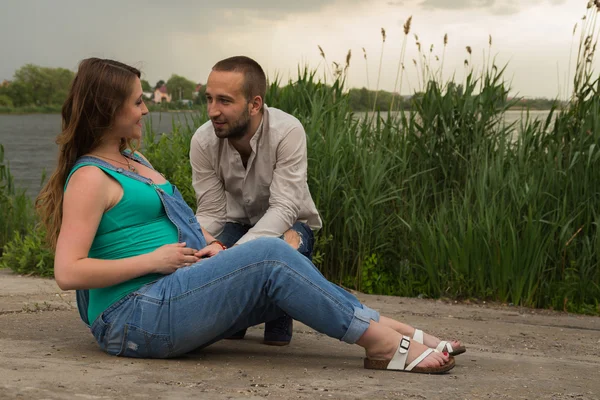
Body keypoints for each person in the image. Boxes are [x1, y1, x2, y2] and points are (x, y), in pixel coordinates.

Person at [36, 57, 464, 375]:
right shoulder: (91, 176)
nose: (146, 109)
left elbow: (261, 212)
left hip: (168, 293)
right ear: (109, 109)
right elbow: (67, 272)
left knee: (287, 268)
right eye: (137, 101)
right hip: (132, 317)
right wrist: (157, 261)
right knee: (269, 254)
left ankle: (404, 334)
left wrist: (206, 253)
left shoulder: (134, 160)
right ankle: (384, 347)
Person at [190, 56, 321, 346]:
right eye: (209, 99)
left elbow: (285, 208)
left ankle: (278, 318)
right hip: (234, 224)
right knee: (230, 333)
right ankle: (237, 317)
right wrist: (194, 242)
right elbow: (211, 211)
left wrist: (233, 257)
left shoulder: (287, 132)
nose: (213, 111)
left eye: (224, 101)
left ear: (255, 104)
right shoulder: (203, 141)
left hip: (289, 225)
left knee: (288, 247)